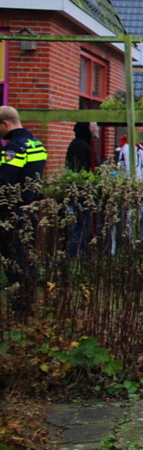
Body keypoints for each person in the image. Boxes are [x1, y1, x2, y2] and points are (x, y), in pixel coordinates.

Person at [0, 106, 48, 314]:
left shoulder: (15, 147)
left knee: (14, 258)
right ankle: (27, 302)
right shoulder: (36, 143)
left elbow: (6, 181)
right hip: (31, 209)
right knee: (26, 257)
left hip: (14, 211)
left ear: (5, 124)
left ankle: (21, 308)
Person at [65, 122, 98, 257]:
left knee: (84, 224)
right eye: (94, 126)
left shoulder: (83, 144)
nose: (97, 129)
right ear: (88, 129)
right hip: (81, 193)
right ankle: (75, 256)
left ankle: (79, 254)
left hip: (83, 192)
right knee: (82, 225)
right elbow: (82, 169)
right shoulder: (80, 146)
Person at [116, 133, 143, 240]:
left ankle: (142, 244)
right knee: (132, 222)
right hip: (138, 192)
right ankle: (131, 245)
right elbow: (133, 171)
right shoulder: (130, 147)